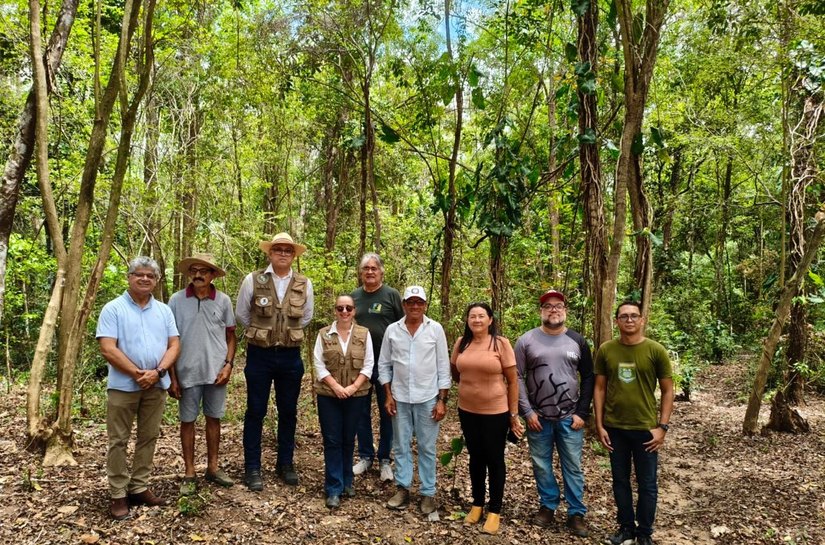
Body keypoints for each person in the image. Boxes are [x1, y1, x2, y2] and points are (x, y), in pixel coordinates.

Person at [96, 257, 180, 520]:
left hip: (156, 384)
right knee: (118, 440)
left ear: (156, 281)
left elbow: (174, 344)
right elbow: (108, 347)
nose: (144, 279)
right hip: (123, 386)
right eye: (139, 274)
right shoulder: (113, 309)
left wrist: (158, 372)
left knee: (149, 436)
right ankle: (118, 493)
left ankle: (140, 486)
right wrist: (137, 373)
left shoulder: (164, 311)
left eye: (150, 276)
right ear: (129, 277)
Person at [236, 232, 314, 490]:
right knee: (255, 411)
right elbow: (242, 314)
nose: (283, 253)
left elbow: (306, 317)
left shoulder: (304, 283)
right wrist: (264, 333)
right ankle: (252, 468)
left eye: (288, 250)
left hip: (290, 356)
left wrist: (284, 335)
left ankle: (285, 463)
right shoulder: (254, 279)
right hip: (260, 355)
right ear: (269, 253)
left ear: (294, 256)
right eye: (278, 249)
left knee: (288, 411)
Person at [515, 289, 594, 537]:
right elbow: (515, 376)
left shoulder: (577, 340)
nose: (553, 310)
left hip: (570, 417)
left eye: (558, 305)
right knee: (541, 465)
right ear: (541, 311)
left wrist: (583, 412)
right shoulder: (526, 340)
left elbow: (589, 377)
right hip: (538, 417)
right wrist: (526, 411)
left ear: (565, 310)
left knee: (573, 466)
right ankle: (548, 506)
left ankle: (576, 513)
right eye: (548, 306)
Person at [594, 301, 674, 545]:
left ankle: (645, 533)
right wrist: (599, 424)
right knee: (620, 481)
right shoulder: (607, 350)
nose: (629, 320)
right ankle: (626, 528)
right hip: (615, 428)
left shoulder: (655, 350)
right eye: (623, 316)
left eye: (633, 316)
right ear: (617, 321)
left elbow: (668, 390)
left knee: (647, 483)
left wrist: (662, 427)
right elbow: (599, 388)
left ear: (642, 320)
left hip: (646, 429)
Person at [451, 302, 524, 534]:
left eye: (482, 316)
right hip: (467, 410)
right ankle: (477, 504)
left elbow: (513, 381)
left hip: (495, 412)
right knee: (475, 457)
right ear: (467, 320)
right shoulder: (462, 343)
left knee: (494, 459)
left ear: (490, 320)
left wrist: (513, 415)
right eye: (472, 316)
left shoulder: (500, 344)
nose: (477, 320)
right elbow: (455, 372)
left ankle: (495, 510)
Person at [168, 253, 237, 496]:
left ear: (212, 275)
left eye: (204, 271)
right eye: (194, 270)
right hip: (186, 371)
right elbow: (170, 340)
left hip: (216, 371)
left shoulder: (224, 301)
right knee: (187, 421)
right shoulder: (176, 301)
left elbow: (230, 336)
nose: (198, 275)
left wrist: (228, 365)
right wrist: (172, 377)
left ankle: (213, 467)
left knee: (213, 418)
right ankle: (189, 471)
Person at [378, 286, 450, 515]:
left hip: (427, 397)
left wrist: (442, 400)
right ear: (404, 305)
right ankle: (403, 487)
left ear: (425, 305)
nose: (415, 306)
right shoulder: (393, 330)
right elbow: (384, 364)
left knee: (427, 447)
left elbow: (443, 366)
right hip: (399, 398)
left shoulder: (435, 329)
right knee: (401, 445)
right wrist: (388, 395)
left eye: (419, 302)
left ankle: (428, 493)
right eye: (411, 302)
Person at [313, 295, 375, 508]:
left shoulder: (363, 334)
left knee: (349, 439)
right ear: (335, 311)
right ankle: (333, 488)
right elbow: (319, 365)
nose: (345, 312)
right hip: (329, 396)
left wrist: (352, 388)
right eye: (340, 308)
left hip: (356, 395)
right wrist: (337, 387)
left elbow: (368, 365)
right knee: (332, 440)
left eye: (349, 308)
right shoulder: (323, 334)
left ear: (354, 310)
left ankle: (347, 481)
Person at [351, 253, 404, 482]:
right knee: (360, 410)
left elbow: (403, 326)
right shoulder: (354, 297)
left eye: (374, 268)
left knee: (387, 410)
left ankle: (384, 459)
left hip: (387, 362)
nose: (370, 272)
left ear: (381, 271)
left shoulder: (391, 295)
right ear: (361, 272)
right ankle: (365, 455)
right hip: (360, 363)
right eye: (366, 268)